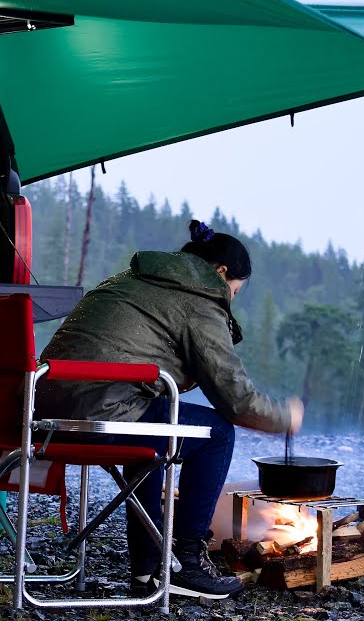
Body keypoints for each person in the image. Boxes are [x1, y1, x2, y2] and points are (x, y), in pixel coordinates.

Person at [35, 219, 304, 600]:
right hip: (98, 417)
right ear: (220, 273)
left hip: (44, 416)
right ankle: (187, 561)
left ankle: (149, 568)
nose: (230, 300)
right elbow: (235, 399)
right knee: (217, 433)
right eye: (234, 291)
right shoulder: (197, 298)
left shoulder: (133, 280)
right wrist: (286, 417)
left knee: (153, 433)